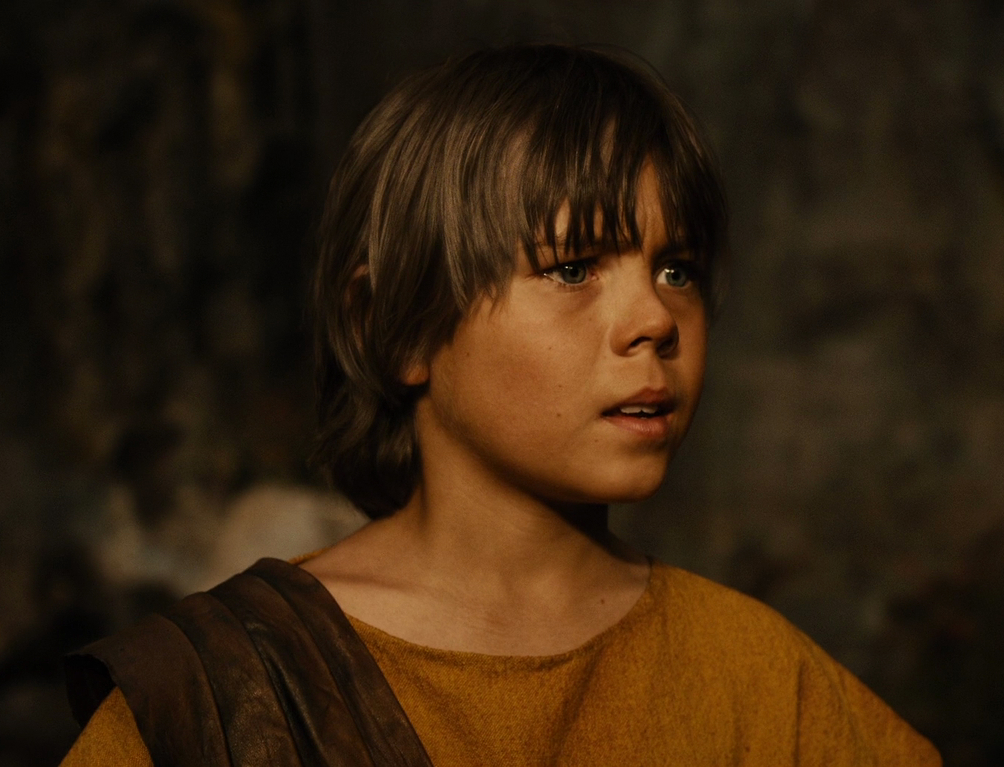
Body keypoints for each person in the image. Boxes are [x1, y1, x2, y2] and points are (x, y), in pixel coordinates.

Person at [58, 44, 941, 766]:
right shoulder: (220, 691)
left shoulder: (762, 680)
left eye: (678, 269)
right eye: (572, 268)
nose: (654, 319)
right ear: (393, 323)